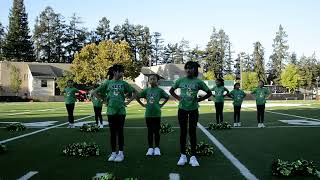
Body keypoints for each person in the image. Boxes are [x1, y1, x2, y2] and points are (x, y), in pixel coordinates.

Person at [169, 61, 212, 167]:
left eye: (191, 68)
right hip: (182, 109)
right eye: (187, 68)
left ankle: (193, 156)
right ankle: (182, 155)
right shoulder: (180, 80)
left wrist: (200, 99)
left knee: (192, 132)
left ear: (195, 70)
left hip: (193, 110)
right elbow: (171, 90)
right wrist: (179, 98)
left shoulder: (198, 82)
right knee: (183, 132)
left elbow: (209, 93)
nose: (188, 70)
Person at [92, 64, 136, 162]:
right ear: (115, 72)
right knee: (112, 133)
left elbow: (135, 92)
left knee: (120, 133)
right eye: (121, 71)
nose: (122, 73)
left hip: (121, 112)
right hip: (111, 112)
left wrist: (128, 102)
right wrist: (103, 101)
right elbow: (94, 92)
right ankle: (113, 153)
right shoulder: (107, 83)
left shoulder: (124, 83)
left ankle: (121, 153)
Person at [136, 74, 169, 156]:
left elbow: (167, 97)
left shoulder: (160, 90)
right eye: (151, 79)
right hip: (148, 114)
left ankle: (157, 148)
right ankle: (150, 148)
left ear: (157, 81)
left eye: (154, 79)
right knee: (150, 131)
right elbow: (137, 97)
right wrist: (142, 105)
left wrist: (161, 105)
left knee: (156, 131)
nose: (152, 80)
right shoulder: (146, 90)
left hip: (157, 114)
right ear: (148, 81)